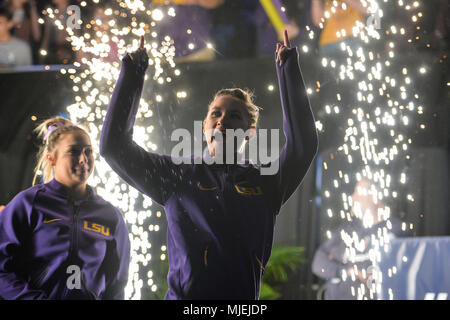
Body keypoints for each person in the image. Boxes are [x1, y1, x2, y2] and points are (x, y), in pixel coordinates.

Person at [100, 30, 318, 300]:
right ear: (205, 126)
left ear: (249, 132)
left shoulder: (267, 181)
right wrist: (132, 74)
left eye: (234, 116)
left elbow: (304, 145)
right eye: (216, 113)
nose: (222, 120)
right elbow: (114, 146)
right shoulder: (177, 175)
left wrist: (288, 70)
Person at [0, 117, 130, 300]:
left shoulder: (110, 216)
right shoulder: (28, 204)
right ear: (51, 158)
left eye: (88, 151)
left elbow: (117, 285)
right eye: (74, 152)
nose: (83, 159)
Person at [311, 179, 411, 300]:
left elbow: (396, 270)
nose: (353, 198)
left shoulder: (395, 231)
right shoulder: (347, 229)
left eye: (358, 192)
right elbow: (318, 262)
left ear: (374, 195)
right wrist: (347, 271)